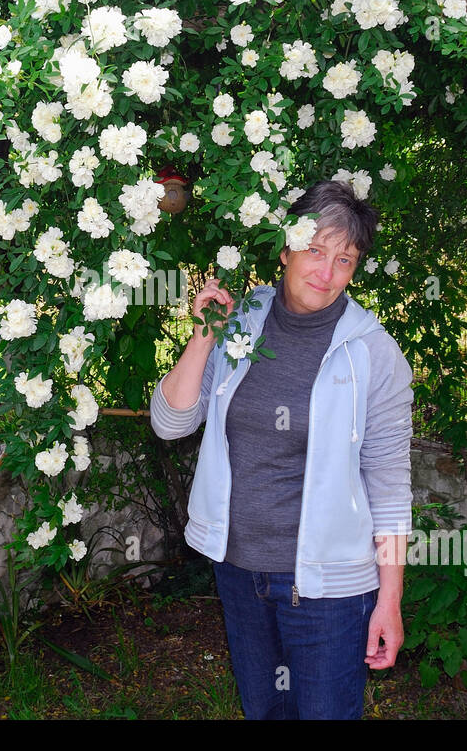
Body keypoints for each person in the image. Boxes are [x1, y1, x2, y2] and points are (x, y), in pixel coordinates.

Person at [150, 179, 414, 720]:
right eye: (315, 250)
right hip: (240, 572)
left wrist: (389, 600)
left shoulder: (373, 354)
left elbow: (389, 487)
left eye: (344, 259)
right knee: (264, 711)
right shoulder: (240, 324)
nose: (326, 272)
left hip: (330, 590)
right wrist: (203, 334)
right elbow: (171, 423)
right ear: (285, 247)